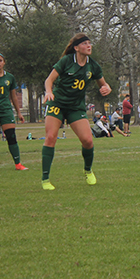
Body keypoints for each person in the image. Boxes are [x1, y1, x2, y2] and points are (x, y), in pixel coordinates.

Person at [40, 33, 112, 190]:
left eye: (89, 43)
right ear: (76, 48)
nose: (89, 46)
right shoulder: (66, 61)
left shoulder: (93, 66)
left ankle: (88, 171)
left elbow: (103, 84)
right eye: (85, 43)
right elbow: (49, 80)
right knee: (51, 137)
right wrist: (48, 91)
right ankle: (45, 179)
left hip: (75, 107)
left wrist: (106, 88)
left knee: (88, 141)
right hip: (57, 104)